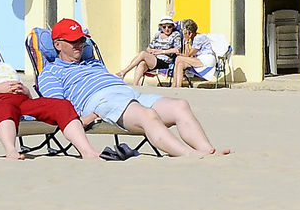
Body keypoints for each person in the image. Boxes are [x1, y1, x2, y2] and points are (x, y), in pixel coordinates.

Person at [35, 19, 230, 157]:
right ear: (58, 44)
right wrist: (89, 117)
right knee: (147, 115)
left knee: (180, 105)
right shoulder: (51, 73)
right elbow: (57, 106)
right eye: (73, 41)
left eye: (82, 40)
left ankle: (206, 150)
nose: (79, 44)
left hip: (128, 94)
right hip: (101, 102)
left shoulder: (93, 63)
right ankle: (188, 155)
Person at [0, 21, 103, 161]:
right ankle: (11, 151)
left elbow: (26, 96)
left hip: (20, 103)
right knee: (6, 107)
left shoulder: (4, 66)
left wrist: (25, 91)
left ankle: (87, 151)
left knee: (61, 105)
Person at [119, 16, 182, 86]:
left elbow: (177, 49)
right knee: (142, 63)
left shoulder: (175, 35)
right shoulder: (158, 35)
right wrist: (152, 51)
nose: (166, 29)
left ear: (172, 27)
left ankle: (124, 72)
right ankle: (135, 85)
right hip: (154, 59)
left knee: (143, 53)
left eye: (169, 27)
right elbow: (149, 48)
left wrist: (161, 51)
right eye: (164, 27)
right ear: (161, 27)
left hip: (165, 61)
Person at [168, 19, 219, 88]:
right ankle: (178, 86)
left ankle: (173, 85)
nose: (183, 33)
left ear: (190, 32)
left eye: (185, 31)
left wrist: (186, 41)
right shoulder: (193, 39)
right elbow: (187, 54)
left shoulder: (199, 38)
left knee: (178, 58)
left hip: (207, 60)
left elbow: (188, 55)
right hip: (199, 60)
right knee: (181, 64)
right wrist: (186, 43)